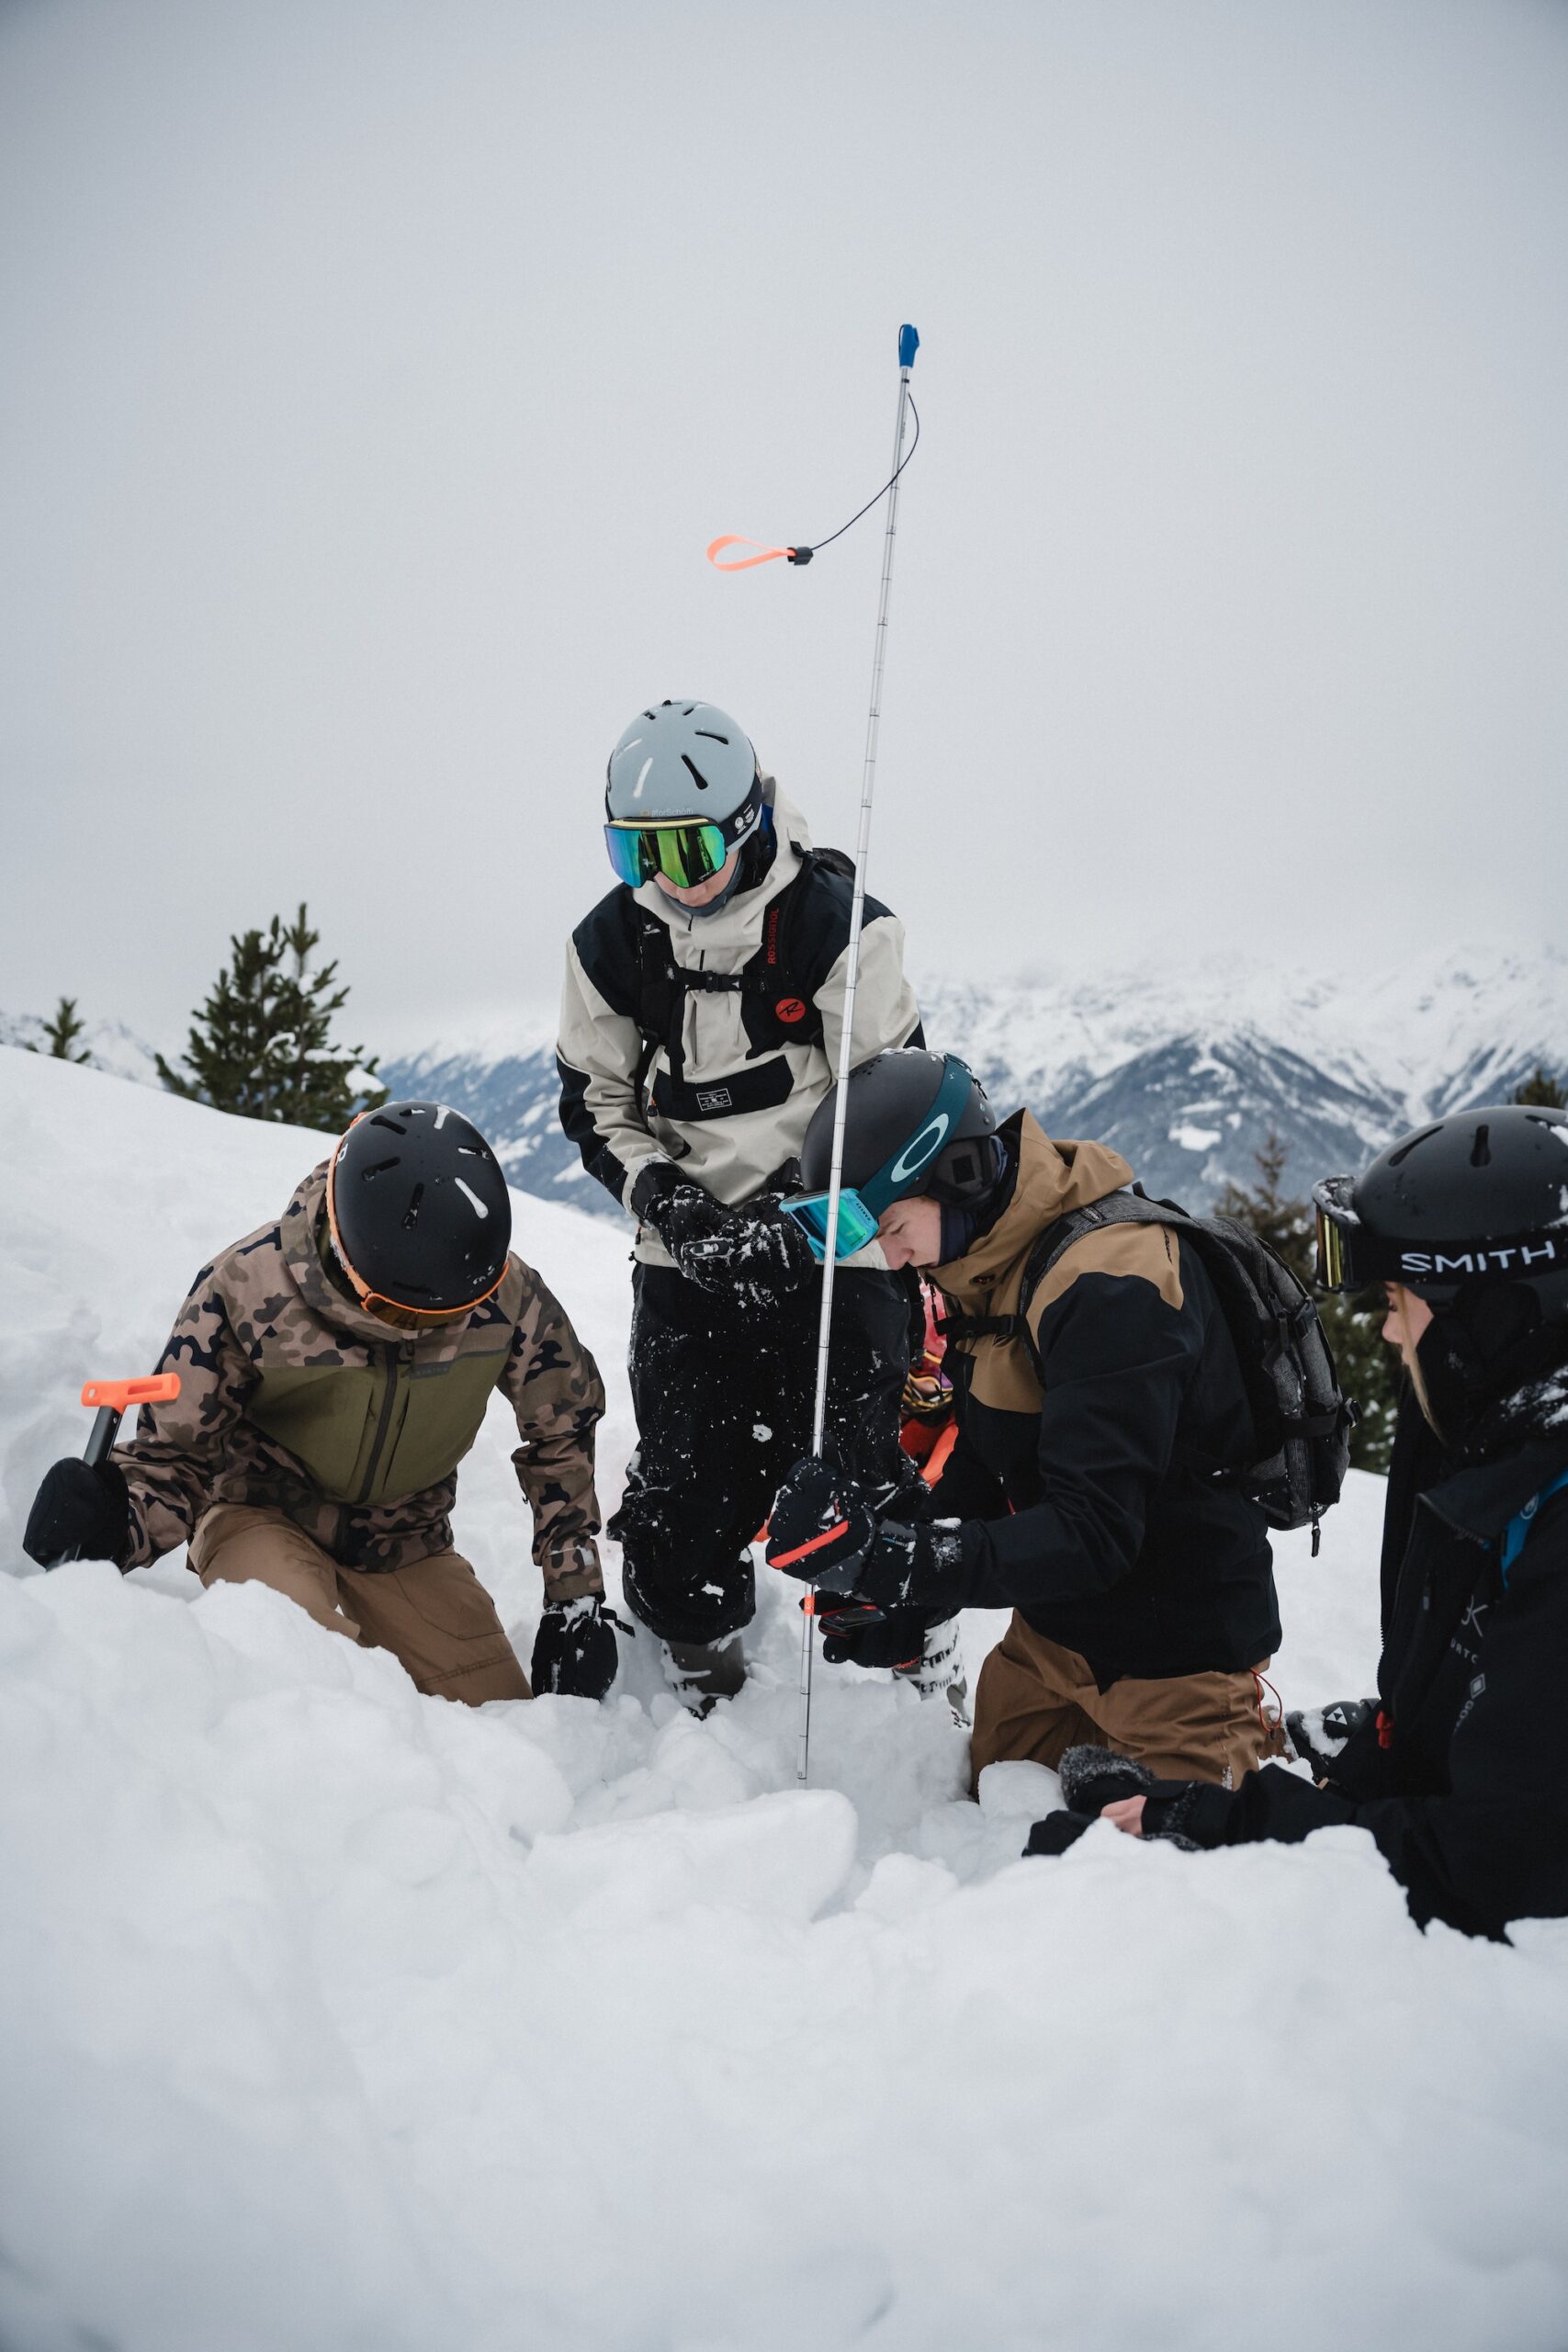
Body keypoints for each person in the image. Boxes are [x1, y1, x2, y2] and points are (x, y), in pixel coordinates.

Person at [1025, 1102, 1568, 1940]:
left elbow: (1498, 1867)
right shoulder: (1499, 1456)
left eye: (1399, 1300)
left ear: (1496, 1314)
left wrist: (1210, 1828)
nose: (1386, 1330)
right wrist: (1365, 1763)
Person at [766, 1047, 1287, 1784]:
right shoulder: (991, 1264)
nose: (889, 1257)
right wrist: (907, 1596)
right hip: (1050, 1646)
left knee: (1176, 1855)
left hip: (1178, 1665)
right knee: (984, 1815)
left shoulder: (1111, 1284)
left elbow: (1094, 1533)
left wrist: (898, 1561)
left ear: (959, 1176)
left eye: (890, 1225)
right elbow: (988, 1458)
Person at [556, 697, 929, 1711]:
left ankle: (903, 1663)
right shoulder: (611, 943)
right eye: (636, 852)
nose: (665, 878)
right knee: (682, 1491)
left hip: (835, 1247)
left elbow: (897, 1107)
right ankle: (700, 1652)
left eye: (687, 849)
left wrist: (801, 1220)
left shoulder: (835, 927)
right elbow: (595, 1101)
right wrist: (671, 1205)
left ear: (747, 820)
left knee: (856, 1482)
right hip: (687, 1252)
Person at [24, 1102, 615, 1705]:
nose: (418, 1331)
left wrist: (575, 1597)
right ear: (347, 1258)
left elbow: (562, 1429)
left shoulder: (504, 1295)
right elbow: (176, 1455)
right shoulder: (248, 1288)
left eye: (445, 1316)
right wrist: (114, 1526)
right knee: (310, 1683)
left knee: (498, 1720)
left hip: (404, 1536)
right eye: (395, 1312)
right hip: (259, 1512)